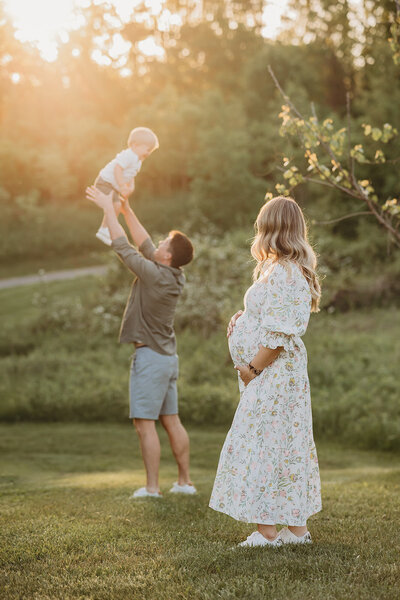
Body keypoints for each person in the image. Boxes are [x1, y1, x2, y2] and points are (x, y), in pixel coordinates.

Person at [209, 196, 322, 548]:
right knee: (286, 443)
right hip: (279, 376)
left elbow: (278, 336)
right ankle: (296, 530)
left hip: (273, 374)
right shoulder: (281, 269)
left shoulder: (286, 271)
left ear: (269, 227)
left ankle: (267, 531)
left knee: (264, 443)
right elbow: (269, 318)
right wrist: (243, 319)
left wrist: (252, 370)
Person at [86, 185, 196, 499]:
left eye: (163, 243)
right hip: (168, 359)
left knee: (144, 424)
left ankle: (152, 489)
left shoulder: (155, 275)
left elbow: (122, 246)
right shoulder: (173, 274)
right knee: (171, 421)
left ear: (168, 255)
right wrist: (126, 209)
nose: (156, 243)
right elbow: (144, 242)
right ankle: (185, 483)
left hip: (150, 360)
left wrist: (107, 208)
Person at [94, 127, 159, 246]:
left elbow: (131, 174)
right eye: (147, 149)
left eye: (151, 151)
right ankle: (105, 229)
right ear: (134, 145)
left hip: (112, 186)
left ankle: (105, 229)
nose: (148, 153)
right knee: (116, 205)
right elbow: (118, 168)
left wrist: (131, 186)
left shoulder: (138, 160)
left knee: (116, 206)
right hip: (105, 182)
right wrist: (122, 185)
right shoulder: (129, 155)